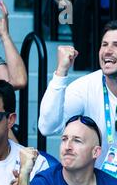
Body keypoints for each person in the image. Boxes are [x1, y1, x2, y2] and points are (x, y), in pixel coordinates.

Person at [39, 20, 117, 168]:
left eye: (116, 45)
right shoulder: (85, 87)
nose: (107, 51)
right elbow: (47, 127)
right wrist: (61, 72)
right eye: (104, 44)